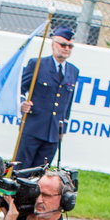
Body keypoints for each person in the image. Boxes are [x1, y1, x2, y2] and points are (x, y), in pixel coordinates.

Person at [14, 27, 78, 168]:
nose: (66, 49)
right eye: (63, 45)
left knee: (41, 175)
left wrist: (63, 128)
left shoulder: (73, 71)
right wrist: (22, 103)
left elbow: (68, 102)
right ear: (53, 44)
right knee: (20, 171)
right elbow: (19, 89)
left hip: (53, 133)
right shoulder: (37, 64)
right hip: (33, 128)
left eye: (70, 46)